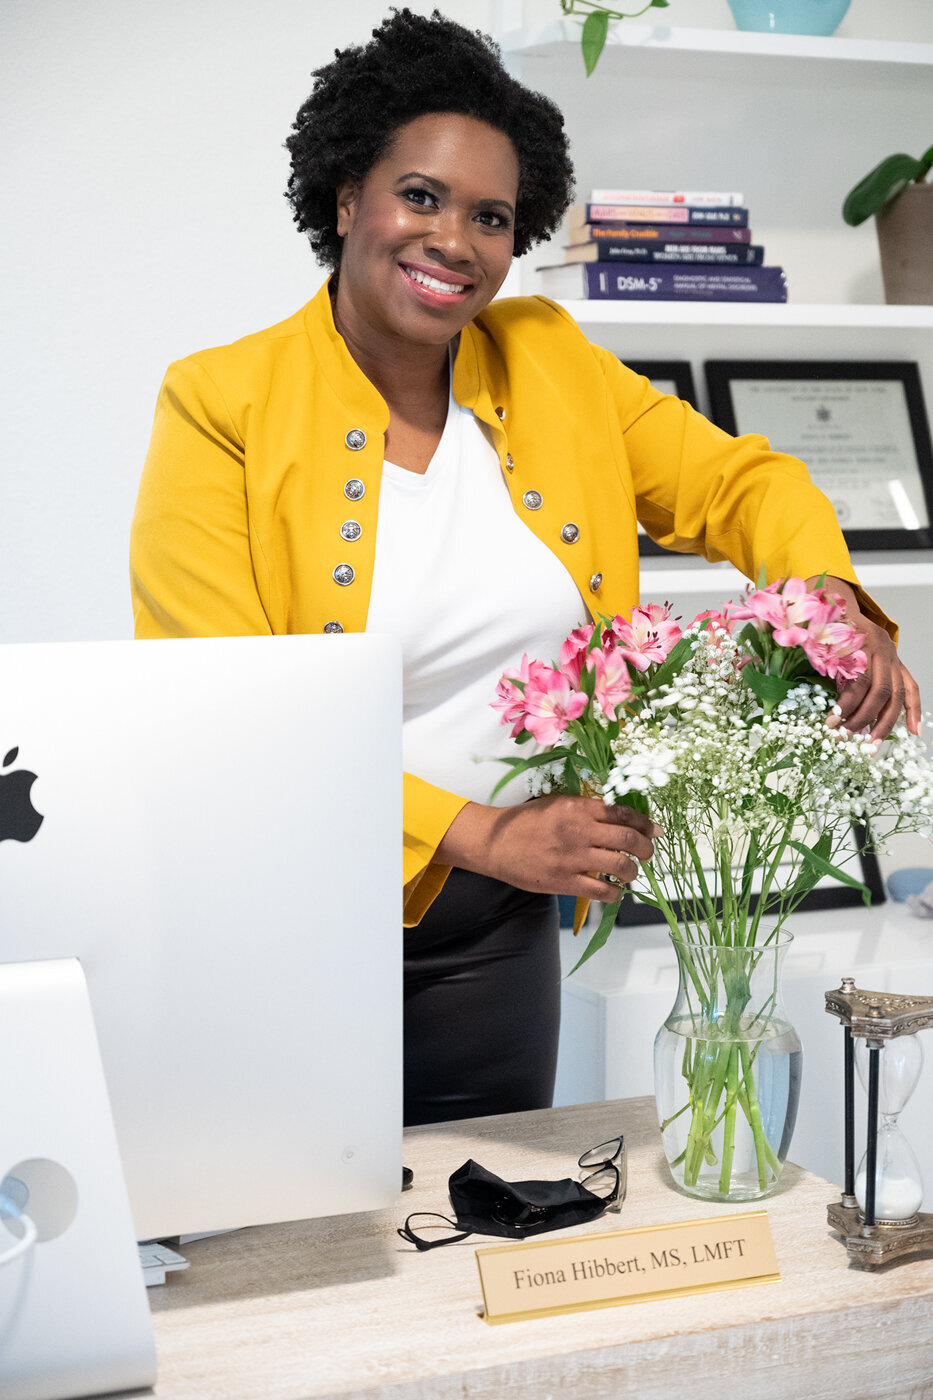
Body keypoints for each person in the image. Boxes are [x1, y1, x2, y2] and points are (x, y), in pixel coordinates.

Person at [131, 9, 919, 1127]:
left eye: (491, 216)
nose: (453, 237)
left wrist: (837, 605)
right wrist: (487, 829)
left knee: (481, 1237)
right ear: (347, 194)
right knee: (295, 1265)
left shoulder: (551, 359)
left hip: (497, 926)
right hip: (282, 915)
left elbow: (746, 483)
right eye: (420, 195)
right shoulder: (221, 404)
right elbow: (220, 711)